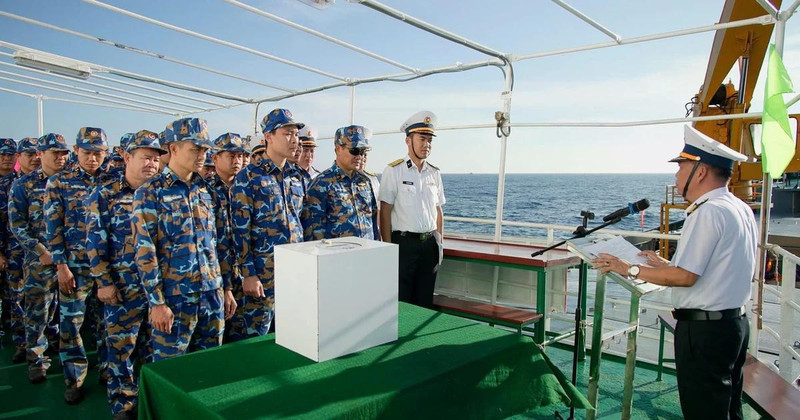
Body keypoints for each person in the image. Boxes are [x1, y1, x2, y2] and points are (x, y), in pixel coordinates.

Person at [592, 125, 757, 420]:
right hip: (733, 325)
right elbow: (716, 269)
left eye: (681, 167)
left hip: (706, 332)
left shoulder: (708, 212)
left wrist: (626, 267)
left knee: (704, 411)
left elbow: (686, 278)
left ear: (701, 171)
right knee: (728, 409)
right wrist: (664, 266)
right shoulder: (738, 207)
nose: (676, 176)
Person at [132, 118, 235, 362]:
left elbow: (222, 244)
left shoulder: (209, 192)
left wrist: (227, 288)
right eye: (195, 149)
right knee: (172, 370)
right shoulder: (150, 193)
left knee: (209, 366)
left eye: (205, 149)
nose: (202, 155)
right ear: (174, 149)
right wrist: (157, 302)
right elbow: (145, 251)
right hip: (174, 299)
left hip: (211, 293)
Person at [86, 130, 165, 420]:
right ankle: (123, 404)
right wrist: (103, 282)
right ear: (127, 157)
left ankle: (148, 400)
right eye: (146, 158)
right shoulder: (105, 195)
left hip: (156, 289)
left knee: (152, 348)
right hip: (123, 288)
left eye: (156, 160)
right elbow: (94, 242)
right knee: (121, 349)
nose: (151, 165)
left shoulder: (160, 195)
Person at [45, 126, 111, 404]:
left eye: (98, 153)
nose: (93, 158)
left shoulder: (113, 182)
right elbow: (53, 227)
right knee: (72, 323)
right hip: (75, 266)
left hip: (107, 268)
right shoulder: (59, 183)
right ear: (76, 151)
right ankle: (75, 378)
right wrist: (61, 266)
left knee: (108, 322)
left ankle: (109, 370)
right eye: (87, 152)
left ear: (106, 154)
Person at [231, 108, 304, 337]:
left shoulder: (295, 176)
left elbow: (299, 222)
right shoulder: (249, 176)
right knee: (257, 336)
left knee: (293, 333)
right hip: (263, 274)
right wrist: (248, 273)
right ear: (269, 137)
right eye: (287, 133)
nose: (294, 140)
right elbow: (239, 229)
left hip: (294, 270)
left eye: (296, 134)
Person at [8, 133, 69, 384]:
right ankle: (36, 359)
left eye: (63, 153)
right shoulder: (24, 185)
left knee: (67, 310)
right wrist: (41, 251)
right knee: (38, 311)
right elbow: (17, 224)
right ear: (40, 155)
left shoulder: (73, 181)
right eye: (54, 153)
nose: (60, 158)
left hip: (70, 258)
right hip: (40, 261)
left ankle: (63, 351)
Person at [379, 111, 445, 309]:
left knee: (425, 300)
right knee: (402, 301)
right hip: (404, 245)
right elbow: (384, 211)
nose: (427, 145)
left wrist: (440, 243)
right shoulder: (394, 170)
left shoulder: (434, 173)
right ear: (408, 141)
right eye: (422, 139)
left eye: (430, 140)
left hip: (429, 246)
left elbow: (438, 211)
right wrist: (389, 249)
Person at [302, 125, 379, 241]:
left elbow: (373, 221)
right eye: (354, 151)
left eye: (363, 151)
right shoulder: (321, 183)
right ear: (338, 149)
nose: (359, 156)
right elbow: (314, 231)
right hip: (337, 255)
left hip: (366, 252)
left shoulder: (365, 181)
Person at [1, 138, 38, 364]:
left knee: (41, 301)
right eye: (28, 154)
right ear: (20, 158)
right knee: (17, 298)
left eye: (37, 154)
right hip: (14, 251)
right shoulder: (8, 184)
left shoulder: (47, 182)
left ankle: (44, 341)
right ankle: (22, 342)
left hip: (40, 254)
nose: (34, 158)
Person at [209, 133, 247, 343]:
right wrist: (225, 286)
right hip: (216, 277)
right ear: (215, 158)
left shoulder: (247, 188)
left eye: (240, 156)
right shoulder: (204, 191)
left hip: (245, 274)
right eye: (231, 155)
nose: (237, 161)